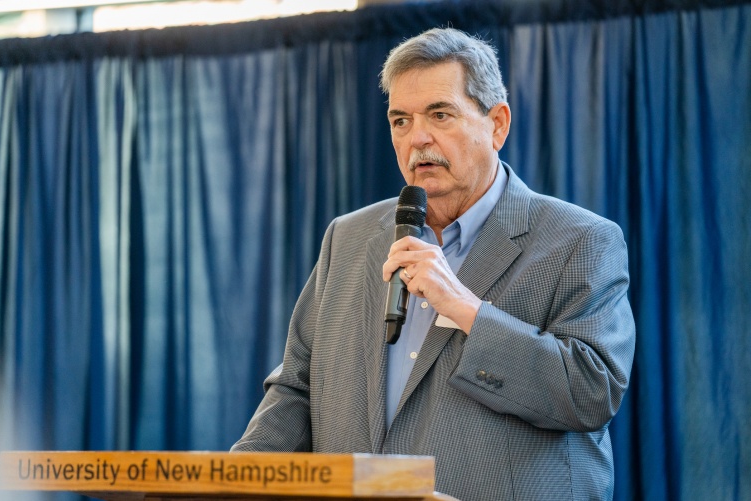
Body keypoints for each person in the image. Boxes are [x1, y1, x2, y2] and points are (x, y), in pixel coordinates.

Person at [232, 28, 635, 501]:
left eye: (440, 115)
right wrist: (233, 480)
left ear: (497, 124)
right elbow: (298, 387)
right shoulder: (350, 237)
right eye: (400, 120)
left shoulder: (580, 240)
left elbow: (591, 393)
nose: (417, 138)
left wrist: (466, 308)